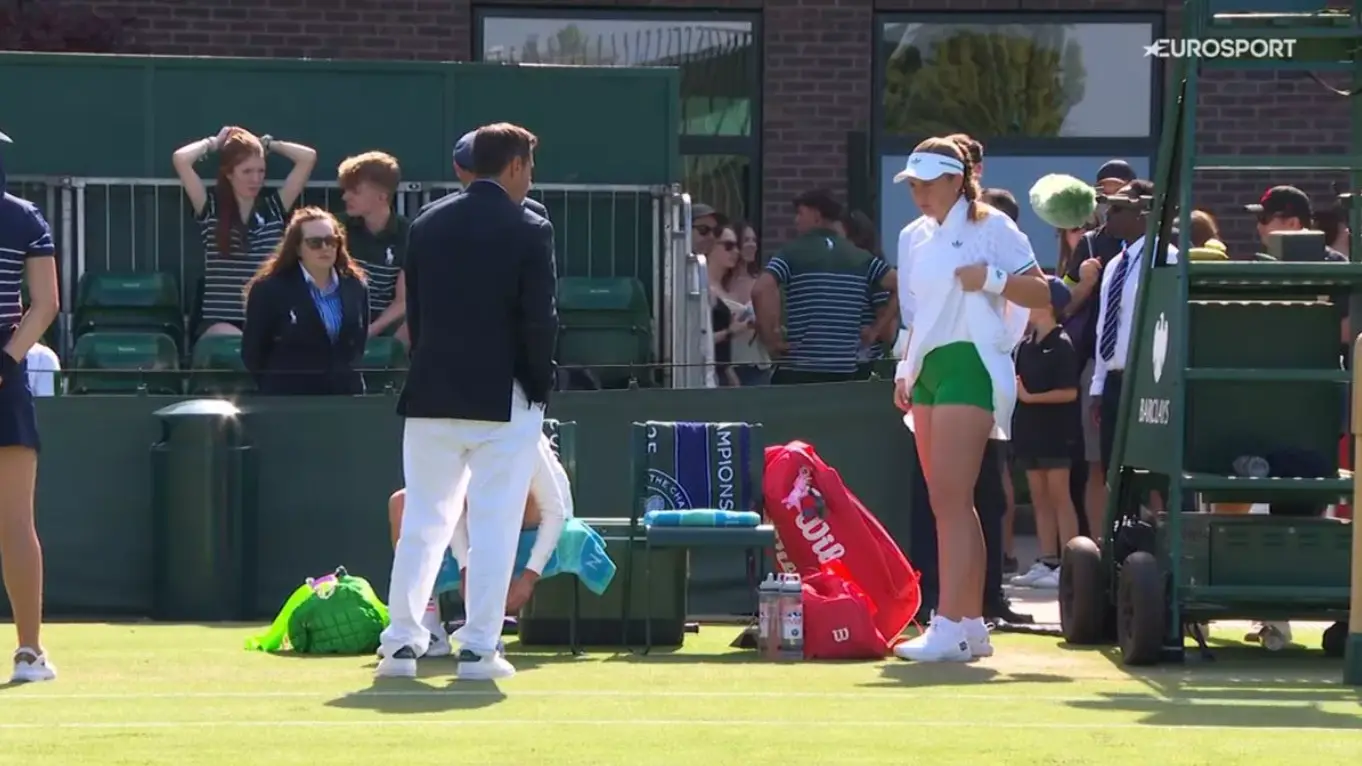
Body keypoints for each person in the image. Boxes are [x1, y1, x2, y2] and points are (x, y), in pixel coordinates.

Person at [378, 123, 556, 682]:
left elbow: (418, 315)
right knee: (494, 525)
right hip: (504, 396)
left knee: (423, 524)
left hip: (431, 392)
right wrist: (538, 388)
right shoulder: (530, 227)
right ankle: (478, 649)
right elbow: (539, 321)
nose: (531, 178)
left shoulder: (427, 223)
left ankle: (400, 647)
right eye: (529, 166)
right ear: (514, 165)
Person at [889, 135, 1049, 663]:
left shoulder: (993, 226)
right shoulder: (914, 237)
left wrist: (991, 279)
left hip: (972, 364)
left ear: (956, 181)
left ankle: (950, 623)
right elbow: (915, 314)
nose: (919, 194)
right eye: (913, 185)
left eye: (928, 184)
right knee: (949, 503)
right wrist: (904, 369)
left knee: (952, 501)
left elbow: (1041, 292)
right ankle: (971, 625)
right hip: (928, 369)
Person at [387, 432, 570, 657]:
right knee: (402, 502)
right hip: (475, 511)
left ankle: (487, 635)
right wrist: (465, 567)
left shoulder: (526, 439)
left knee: (505, 499)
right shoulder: (458, 437)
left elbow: (555, 512)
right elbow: (452, 503)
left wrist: (528, 579)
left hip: (538, 512)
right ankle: (428, 626)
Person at [0, 127, 61, 682]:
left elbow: (45, 303)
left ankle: (29, 650)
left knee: (16, 522)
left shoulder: (22, 217)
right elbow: (45, 305)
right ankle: (29, 653)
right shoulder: (24, 216)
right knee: (15, 522)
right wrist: (8, 360)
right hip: (7, 373)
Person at [171, 126, 316, 341]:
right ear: (229, 174)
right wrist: (214, 143)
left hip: (265, 322)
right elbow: (181, 159)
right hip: (220, 322)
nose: (255, 179)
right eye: (247, 171)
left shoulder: (273, 209)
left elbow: (308, 157)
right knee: (239, 343)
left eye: (261, 171)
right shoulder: (211, 209)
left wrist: (266, 143)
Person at [753, 189, 898, 385]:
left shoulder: (791, 253)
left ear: (816, 215)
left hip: (799, 368)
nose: (796, 220)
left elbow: (760, 290)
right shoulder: (860, 257)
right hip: (845, 372)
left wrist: (772, 341)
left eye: (800, 213)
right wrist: (875, 330)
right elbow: (900, 285)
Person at [241, 208, 370, 395]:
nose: (325, 248)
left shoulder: (355, 286)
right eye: (315, 243)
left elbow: (358, 345)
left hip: (345, 397)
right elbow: (253, 353)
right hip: (290, 399)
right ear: (297, 248)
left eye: (331, 241)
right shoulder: (269, 289)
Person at [1009, 278, 1082, 589]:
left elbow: (1069, 392)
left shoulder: (1062, 344)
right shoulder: (1024, 346)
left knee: (1059, 496)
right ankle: (1048, 560)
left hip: (1056, 431)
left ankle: (1071, 565)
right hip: (1029, 431)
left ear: (1049, 304)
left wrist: (1030, 397)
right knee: (1039, 496)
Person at [339, 151, 409, 347]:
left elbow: (403, 301)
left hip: (386, 329)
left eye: (355, 191)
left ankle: (391, 365)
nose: (345, 196)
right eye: (346, 189)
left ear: (382, 196)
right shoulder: (335, 228)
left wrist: (369, 332)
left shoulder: (409, 234)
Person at [708, 224, 749, 387]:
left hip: (725, 373)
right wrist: (731, 331)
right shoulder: (702, 288)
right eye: (728, 246)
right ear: (711, 246)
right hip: (706, 373)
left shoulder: (725, 288)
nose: (736, 252)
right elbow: (697, 340)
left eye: (736, 246)